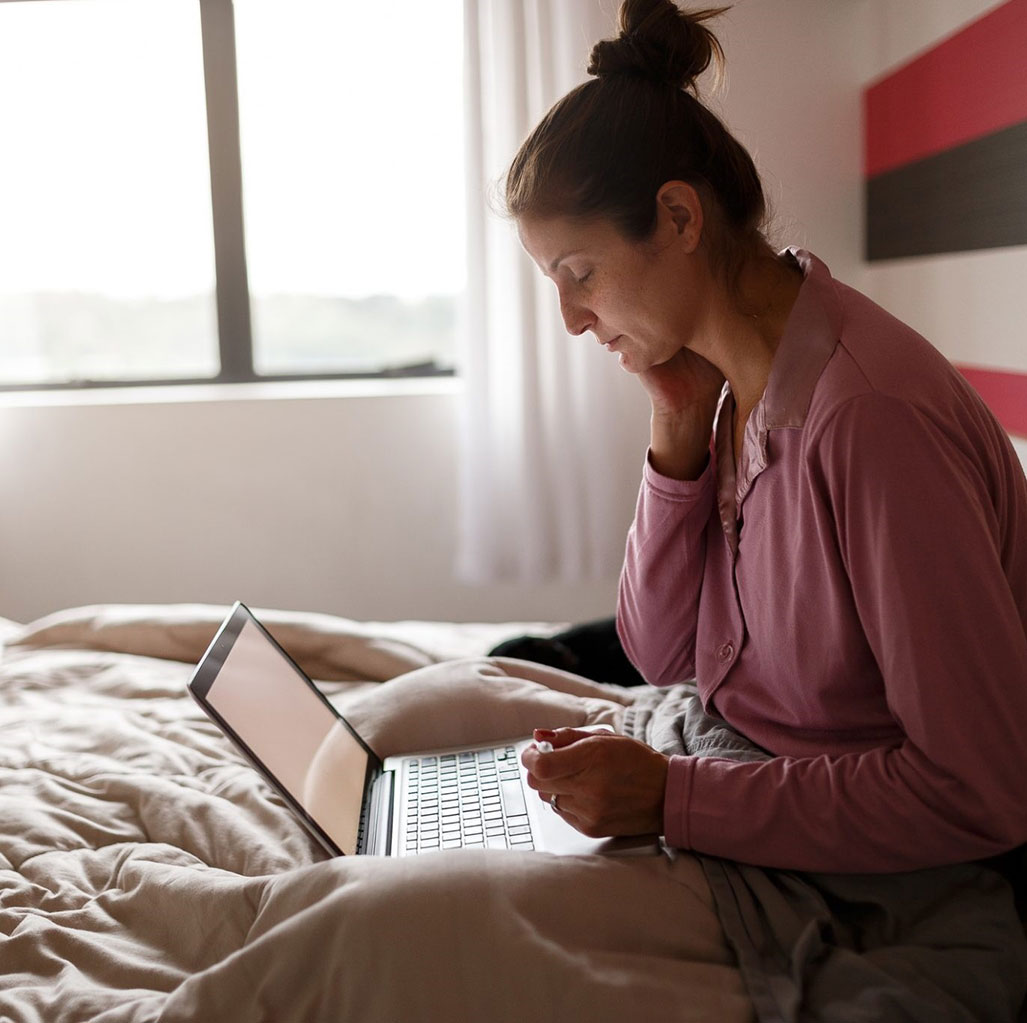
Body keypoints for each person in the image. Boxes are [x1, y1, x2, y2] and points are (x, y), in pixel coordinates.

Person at [514, 0, 1027, 873]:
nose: (570, 318)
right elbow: (662, 654)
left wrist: (672, 798)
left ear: (679, 218)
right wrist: (677, 426)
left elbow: (978, 790)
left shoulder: (868, 419)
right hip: (731, 754)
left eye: (580, 274)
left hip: (861, 840)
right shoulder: (731, 382)